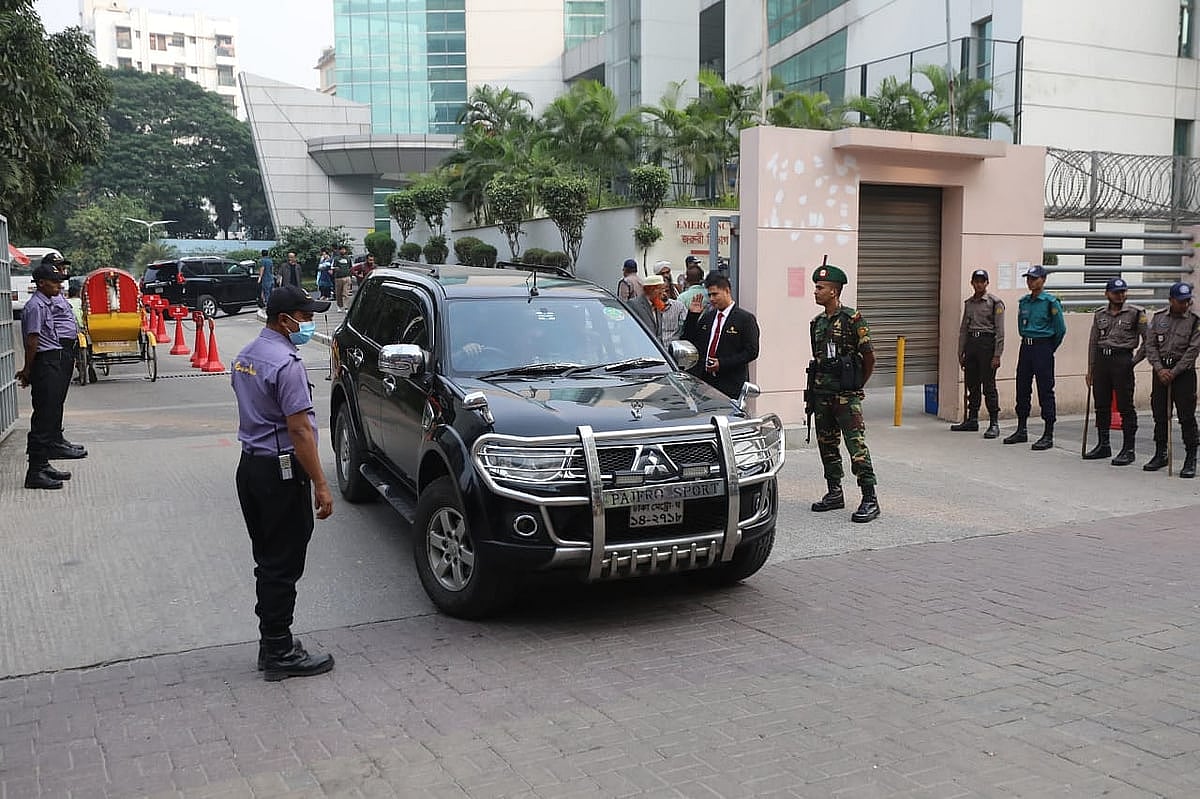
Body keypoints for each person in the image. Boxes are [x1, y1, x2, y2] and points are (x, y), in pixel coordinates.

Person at [230, 284, 336, 680]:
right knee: (283, 562)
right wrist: (321, 483)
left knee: (268, 558)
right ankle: (279, 651)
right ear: (284, 319)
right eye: (305, 317)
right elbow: (300, 430)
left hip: (251, 467)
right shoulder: (287, 364)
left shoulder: (247, 356)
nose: (309, 323)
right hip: (281, 472)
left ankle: (272, 642)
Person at [806, 264, 879, 523]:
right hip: (822, 394)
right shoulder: (817, 323)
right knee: (827, 446)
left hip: (846, 395)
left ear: (834, 291)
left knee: (856, 447)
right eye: (816, 287)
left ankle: (870, 498)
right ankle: (834, 492)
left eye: (820, 287)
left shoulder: (852, 319)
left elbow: (869, 357)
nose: (815, 291)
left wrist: (857, 385)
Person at [16, 259, 87, 490]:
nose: (59, 285)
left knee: (51, 413)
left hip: (53, 359)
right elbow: (32, 341)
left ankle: (43, 464)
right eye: (54, 282)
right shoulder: (36, 306)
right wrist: (27, 370)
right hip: (45, 362)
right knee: (43, 417)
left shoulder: (45, 303)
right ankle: (35, 471)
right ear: (41, 283)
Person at [1083, 277, 1147, 465]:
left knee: (1125, 406)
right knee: (1101, 404)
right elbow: (1093, 342)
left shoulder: (1136, 313)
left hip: (1122, 360)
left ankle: (1128, 449)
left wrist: (1133, 361)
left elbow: (1148, 340)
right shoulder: (1100, 314)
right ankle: (1103, 444)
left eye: (1123, 292)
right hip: (1102, 360)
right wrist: (1091, 368)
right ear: (1107, 294)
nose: (1120, 295)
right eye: (1116, 292)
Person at [1003, 265, 1066, 450]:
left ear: (1043, 280)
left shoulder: (1050, 302)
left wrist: (1048, 348)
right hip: (1026, 346)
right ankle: (1021, 429)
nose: (1030, 282)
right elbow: (1021, 327)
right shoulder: (1024, 302)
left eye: (1034, 278)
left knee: (1045, 389)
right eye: (1028, 278)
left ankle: (1048, 433)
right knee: (1022, 387)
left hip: (1043, 347)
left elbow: (1060, 330)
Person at [1142, 281, 1200, 477]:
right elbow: (1150, 346)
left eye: (1187, 301)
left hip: (1183, 374)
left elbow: (1193, 351)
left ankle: (1190, 457)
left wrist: (1173, 372)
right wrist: (1160, 369)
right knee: (1160, 414)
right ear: (1171, 300)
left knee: (1186, 416)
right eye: (1180, 301)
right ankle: (1161, 453)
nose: (1185, 304)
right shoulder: (1159, 318)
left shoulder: (1195, 321)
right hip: (1161, 371)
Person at [681, 272, 760, 398]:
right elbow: (689, 341)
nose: (712, 299)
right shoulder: (708, 317)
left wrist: (722, 363)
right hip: (705, 384)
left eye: (715, 294)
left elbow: (751, 352)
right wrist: (693, 316)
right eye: (709, 295)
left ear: (727, 291)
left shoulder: (745, 319)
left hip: (730, 385)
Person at [951, 269, 1005, 437]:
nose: (979, 284)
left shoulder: (995, 303)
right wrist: (961, 351)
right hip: (972, 345)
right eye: (976, 281)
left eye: (982, 281)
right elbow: (963, 329)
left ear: (987, 283)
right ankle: (972, 419)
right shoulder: (969, 303)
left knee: (988, 386)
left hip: (986, 345)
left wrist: (997, 354)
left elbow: (1000, 331)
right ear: (972, 283)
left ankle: (994, 423)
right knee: (972, 384)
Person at [627, 273, 687, 348]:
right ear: (652, 290)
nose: (663, 293)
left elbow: (659, 335)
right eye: (661, 290)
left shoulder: (658, 305)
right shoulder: (634, 305)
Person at [332, 245, 353, 311]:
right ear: (339, 250)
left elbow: (351, 267)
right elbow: (332, 267)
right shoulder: (336, 258)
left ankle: (346, 306)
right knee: (338, 293)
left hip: (347, 277)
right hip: (338, 277)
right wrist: (335, 269)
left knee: (346, 293)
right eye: (341, 249)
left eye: (344, 249)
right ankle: (339, 306)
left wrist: (350, 275)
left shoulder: (348, 258)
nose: (343, 251)